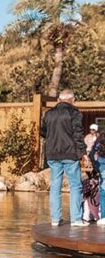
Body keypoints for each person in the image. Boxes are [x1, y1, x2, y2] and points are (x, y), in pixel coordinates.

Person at [41, 89, 87, 226]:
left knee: (55, 186)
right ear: (72, 100)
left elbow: (42, 131)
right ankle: (76, 219)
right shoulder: (75, 113)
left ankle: (55, 219)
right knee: (75, 186)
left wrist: (52, 139)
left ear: (59, 100)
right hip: (69, 154)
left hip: (52, 154)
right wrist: (83, 153)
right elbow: (78, 135)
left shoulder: (48, 114)